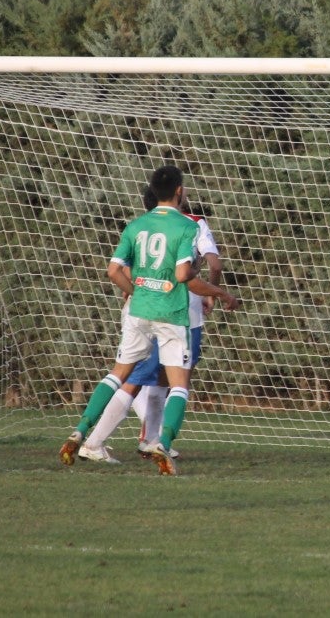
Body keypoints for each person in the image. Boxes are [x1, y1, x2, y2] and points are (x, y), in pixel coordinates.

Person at [60, 165, 239, 476]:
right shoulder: (188, 227)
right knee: (179, 384)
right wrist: (218, 291)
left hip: (139, 312)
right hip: (171, 315)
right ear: (180, 192)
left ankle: (80, 431)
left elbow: (114, 271)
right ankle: (162, 443)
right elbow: (185, 274)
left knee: (118, 375)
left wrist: (137, 293)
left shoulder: (136, 225)